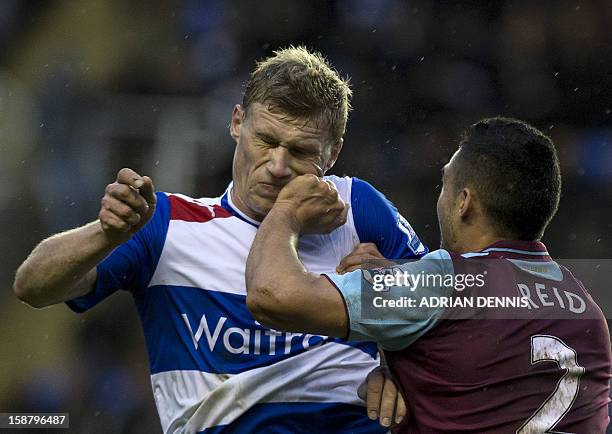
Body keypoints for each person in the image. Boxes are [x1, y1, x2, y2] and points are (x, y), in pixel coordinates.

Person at [13, 47, 426, 433]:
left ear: (332, 153)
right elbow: (31, 285)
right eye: (266, 141)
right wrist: (105, 234)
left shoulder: (358, 207)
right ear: (236, 123)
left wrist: (398, 312)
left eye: (300, 151)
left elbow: (477, 296)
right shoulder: (167, 223)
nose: (278, 166)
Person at [245, 117, 612, 432]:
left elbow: (272, 295)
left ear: (464, 202)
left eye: (445, 185)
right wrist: (398, 359)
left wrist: (288, 211)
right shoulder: (588, 311)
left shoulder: (443, 279)